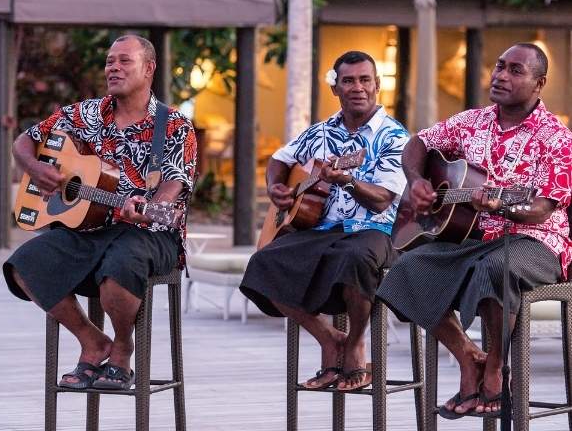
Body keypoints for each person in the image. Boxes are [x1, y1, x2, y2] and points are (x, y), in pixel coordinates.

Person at [377, 43, 572, 418]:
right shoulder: (471, 122)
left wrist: (500, 204)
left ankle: (496, 372)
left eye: (515, 70)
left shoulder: (557, 140)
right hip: (474, 239)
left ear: (539, 83)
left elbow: (541, 209)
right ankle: (469, 358)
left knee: (494, 269)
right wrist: (417, 179)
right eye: (499, 66)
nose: (500, 76)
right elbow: (419, 143)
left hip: (538, 242)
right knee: (405, 270)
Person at [4, 35, 197, 390]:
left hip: (151, 233)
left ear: (149, 68)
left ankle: (122, 350)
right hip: (88, 230)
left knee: (120, 264)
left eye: (125, 61)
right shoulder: (85, 113)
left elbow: (175, 182)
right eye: (110, 61)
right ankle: (92, 341)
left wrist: (154, 207)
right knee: (25, 264)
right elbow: (24, 141)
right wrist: (33, 167)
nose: (114, 67)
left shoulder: (173, 126)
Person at [240, 51, 409, 391]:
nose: (357, 87)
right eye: (348, 80)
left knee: (355, 258)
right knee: (263, 263)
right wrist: (275, 187)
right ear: (336, 88)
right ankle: (331, 338)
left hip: (374, 231)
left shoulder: (394, 137)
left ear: (377, 86)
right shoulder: (320, 131)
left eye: (365, 80)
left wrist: (347, 180)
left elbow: (383, 201)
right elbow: (280, 159)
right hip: (320, 230)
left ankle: (357, 347)